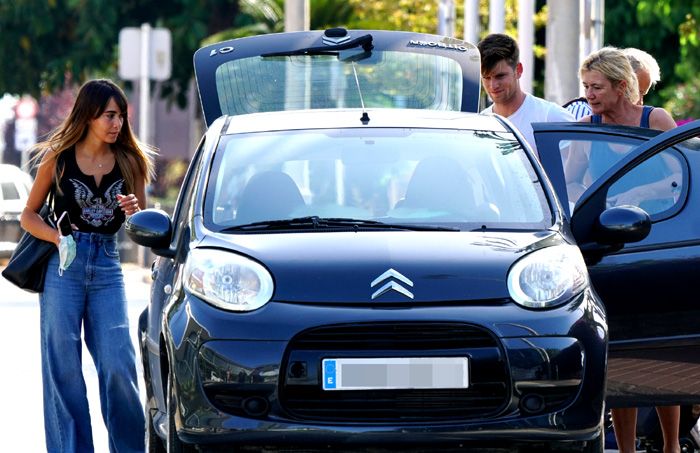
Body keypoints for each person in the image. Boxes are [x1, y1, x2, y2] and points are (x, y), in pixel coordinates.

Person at [20, 79, 156, 452]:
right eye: (109, 115)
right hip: (63, 266)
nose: (117, 123)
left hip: (108, 266)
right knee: (63, 369)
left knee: (118, 365)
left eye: (121, 116)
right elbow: (28, 215)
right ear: (89, 115)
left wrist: (134, 213)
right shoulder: (59, 159)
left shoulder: (131, 161)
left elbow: (141, 223)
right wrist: (57, 239)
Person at [574, 47, 680, 453]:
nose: (589, 95)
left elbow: (681, 177)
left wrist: (639, 191)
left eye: (596, 87)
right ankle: (628, 449)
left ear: (622, 86)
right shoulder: (586, 128)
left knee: (662, 351)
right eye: (586, 86)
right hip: (610, 250)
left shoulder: (655, 120)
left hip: (663, 246)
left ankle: (671, 445)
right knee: (622, 353)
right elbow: (567, 183)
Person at [477, 33, 574, 153]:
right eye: (486, 77)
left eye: (500, 76)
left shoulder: (551, 117)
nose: (493, 85)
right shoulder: (479, 124)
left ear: (518, 70)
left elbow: (582, 165)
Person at [564, 46, 662, 120]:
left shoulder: (650, 118)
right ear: (622, 85)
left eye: (643, 94)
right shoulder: (583, 112)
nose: (639, 101)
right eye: (636, 90)